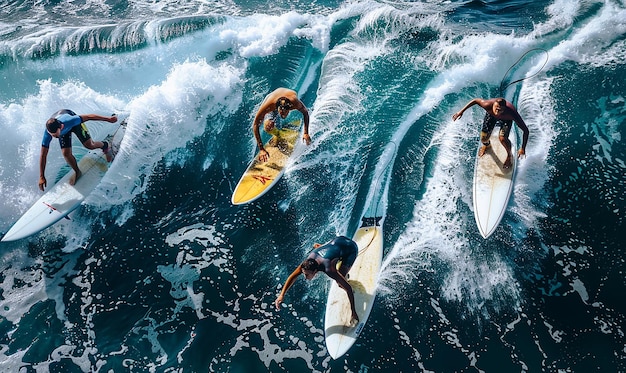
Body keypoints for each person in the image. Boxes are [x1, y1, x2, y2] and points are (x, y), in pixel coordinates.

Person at [275, 236, 360, 325]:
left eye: (307, 274)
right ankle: (327, 252)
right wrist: (282, 295)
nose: (305, 277)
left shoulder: (328, 269)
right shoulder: (307, 264)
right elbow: (292, 276)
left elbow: (349, 289)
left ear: (315, 271)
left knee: (340, 283)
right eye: (304, 274)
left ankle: (343, 273)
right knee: (318, 247)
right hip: (337, 241)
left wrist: (353, 312)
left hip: (351, 248)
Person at [39, 109, 118, 191]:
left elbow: (89, 116)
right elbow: (43, 154)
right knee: (66, 154)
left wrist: (109, 119)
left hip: (71, 122)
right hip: (62, 129)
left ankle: (105, 146)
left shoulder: (71, 120)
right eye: (52, 135)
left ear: (61, 127)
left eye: (55, 135)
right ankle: (77, 172)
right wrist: (41, 176)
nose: (53, 137)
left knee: (90, 145)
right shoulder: (48, 133)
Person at [452, 97, 529, 169]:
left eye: (500, 110)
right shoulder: (487, 105)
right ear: (493, 105)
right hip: (490, 115)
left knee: (502, 138)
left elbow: (526, 130)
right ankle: (487, 145)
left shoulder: (512, 114)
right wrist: (461, 111)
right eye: (496, 108)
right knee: (484, 138)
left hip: (506, 119)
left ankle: (509, 156)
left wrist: (523, 148)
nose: (497, 112)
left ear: (504, 109)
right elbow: (475, 101)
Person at [252, 88, 310, 162]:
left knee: (281, 117)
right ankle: (278, 136)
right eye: (281, 112)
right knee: (267, 126)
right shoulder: (269, 105)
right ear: (278, 108)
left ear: (289, 109)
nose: (283, 114)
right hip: (272, 97)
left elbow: (305, 113)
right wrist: (261, 149)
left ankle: (279, 131)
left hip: (287, 95)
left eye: (285, 112)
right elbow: (255, 124)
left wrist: (306, 133)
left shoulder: (295, 103)